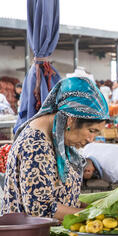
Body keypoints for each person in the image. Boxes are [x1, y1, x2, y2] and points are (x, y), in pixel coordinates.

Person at [1, 77, 109, 220]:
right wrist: (94, 215)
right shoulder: (35, 146)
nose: (91, 140)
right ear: (71, 119)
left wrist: (95, 208)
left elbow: (59, 197)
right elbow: (40, 209)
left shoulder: (56, 139)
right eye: (91, 131)